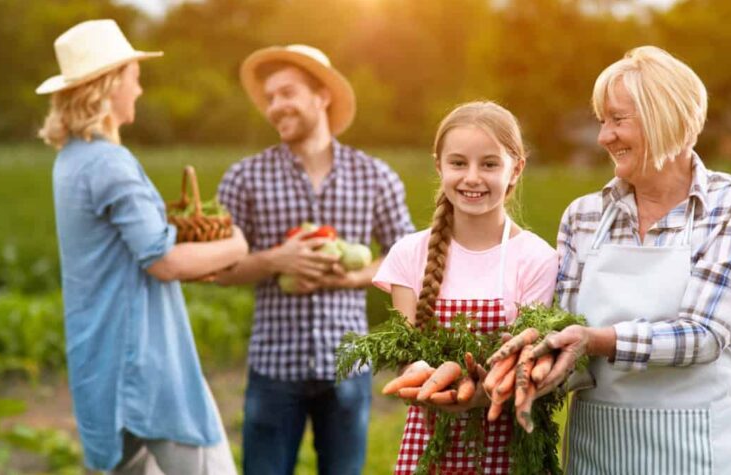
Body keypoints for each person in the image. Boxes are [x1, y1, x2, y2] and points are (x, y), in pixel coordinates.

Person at [517, 46, 731, 473]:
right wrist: (517, 372)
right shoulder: (584, 217)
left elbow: (705, 334)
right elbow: (562, 332)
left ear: (663, 116)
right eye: (602, 122)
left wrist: (596, 340)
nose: (604, 137)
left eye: (618, 120)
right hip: (599, 451)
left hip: (702, 450)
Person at [37, 19, 246, 474]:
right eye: (134, 76)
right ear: (110, 84)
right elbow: (163, 261)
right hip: (146, 362)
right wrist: (237, 245)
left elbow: (125, 253)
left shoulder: (70, 161)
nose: (140, 88)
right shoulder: (110, 163)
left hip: (99, 359)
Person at [214, 44, 414, 475]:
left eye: (287, 93)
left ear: (322, 96)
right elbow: (219, 271)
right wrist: (277, 259)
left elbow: (406, 259)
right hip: (273, 365)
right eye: (270, 98)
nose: (275, 106)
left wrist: (348, 278)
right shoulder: (244, 177)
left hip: (347, 366)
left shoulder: (375, 176)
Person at [372, 101, 560, 474]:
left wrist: (481, 392)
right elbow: (405, 351)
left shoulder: (537, 257)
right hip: (429, 442)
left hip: (509, 446)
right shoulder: (409, 253)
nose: (472, 178)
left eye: (489, 164)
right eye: (458, 163)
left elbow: (527, 362)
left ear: (516, 169)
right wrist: (420, 374)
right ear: (439, 166)